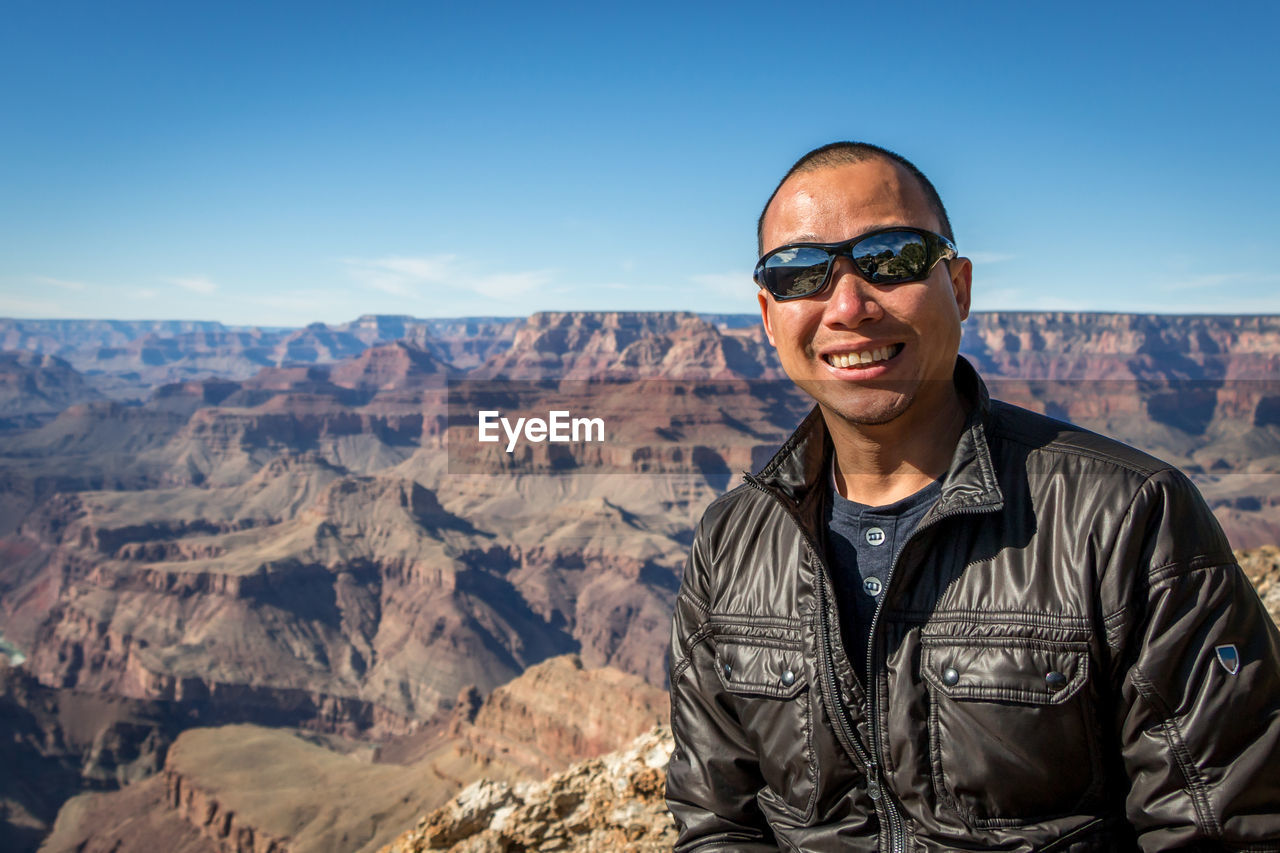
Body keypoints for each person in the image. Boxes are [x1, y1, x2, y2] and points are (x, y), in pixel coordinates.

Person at [665, 141, 1280, 851]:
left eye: (890, 258)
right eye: (801, 273)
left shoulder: (1130, 519)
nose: (848, 305)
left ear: (958, 286)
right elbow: (718, 824)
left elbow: (1223, 829)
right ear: (769, 317)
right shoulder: (731, 541)